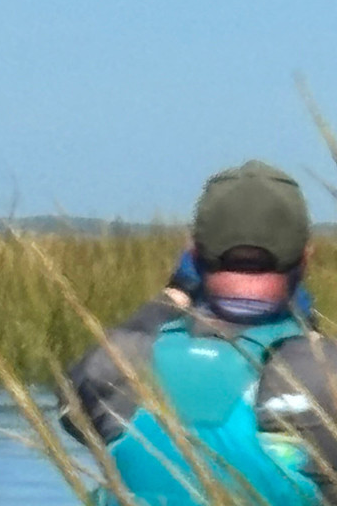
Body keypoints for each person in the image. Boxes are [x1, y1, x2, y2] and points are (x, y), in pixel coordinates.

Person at [60, 160, 337, 505]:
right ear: (306, 258)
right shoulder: (323, 374)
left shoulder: (120, 365)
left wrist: (173, 295)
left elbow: (76, 400)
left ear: (193, 255)